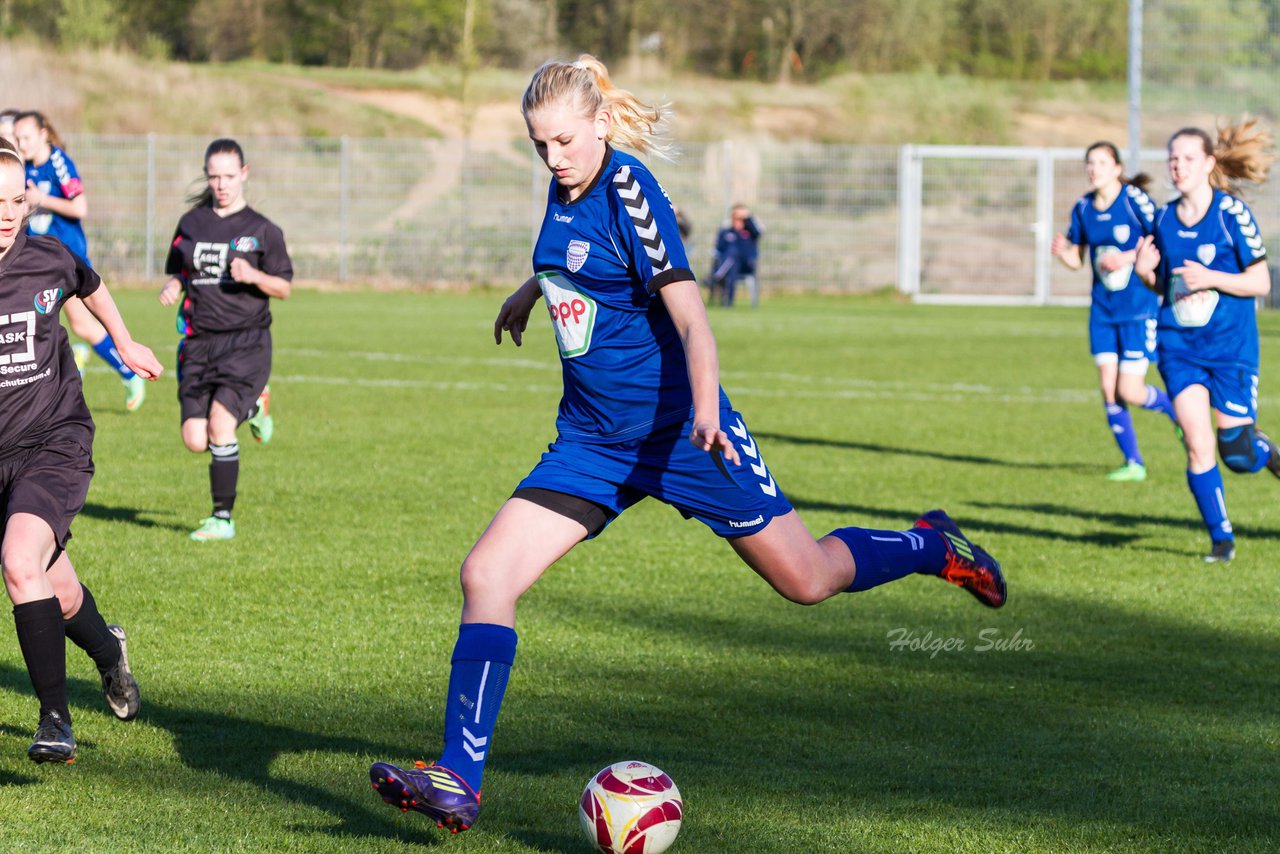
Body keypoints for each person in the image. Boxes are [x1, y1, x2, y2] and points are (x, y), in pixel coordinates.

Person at [368, 55, 1006, 834]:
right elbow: (584, 259)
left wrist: (706, 408)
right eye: (540, 146)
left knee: (806, 579)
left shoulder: (629, 186)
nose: (553, 158)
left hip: (683, 433)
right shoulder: (565, 181)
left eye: (564, 141)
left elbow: (692, 315)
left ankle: (930, 543)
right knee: (486, 572)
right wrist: (530, 289)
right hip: (594, 443)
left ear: (599, 123)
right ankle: (459, 779)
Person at [0, 137, 161, 763]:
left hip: (54, 442)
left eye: (16, 199)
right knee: (54, 589)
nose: (8, 213)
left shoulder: (47, 259)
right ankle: (109, 650)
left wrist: (124, 343)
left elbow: (91, 286)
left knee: (18, 562)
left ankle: (55, 722)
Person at [1134, 120, 1277, 563]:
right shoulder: (1162, 218)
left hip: (1231, 349)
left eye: (1188, 159)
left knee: (1237, 453)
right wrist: (1145, 274)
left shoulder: (1230, 215)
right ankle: (1222, 539)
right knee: (1198, 443)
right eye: (1173, 160)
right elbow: (1166, 285)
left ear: (1209, 163)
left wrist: (1213, 277)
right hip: (1180, 348)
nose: (1178, 167)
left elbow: (1261, 282)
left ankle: (1265, 450)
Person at [159, 139, 290, 542]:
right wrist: (173, 287)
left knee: (219, 426)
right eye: (214, 176)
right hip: (198, 345)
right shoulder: (191, 224)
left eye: (229, 176)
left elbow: (283, 287)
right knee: (195, 440)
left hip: (245, 343)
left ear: (244, 174)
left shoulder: (263, 230)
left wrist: (255, 277)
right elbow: (178, 271)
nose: (221, 184)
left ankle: (222, 518)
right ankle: (254, 407)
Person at [1051, 142, 1178, 481]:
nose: (1094, 169)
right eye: (1090, 163)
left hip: (1137, 308)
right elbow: (1078, 261)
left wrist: (1125, 257)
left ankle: (1174, 409)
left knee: (1130, 392)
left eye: (1102, 163)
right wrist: (1063, 254)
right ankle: (1133, 463)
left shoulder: (1134, 201)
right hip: (1103, 311)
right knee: (1109, 389)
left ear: (1117, 168)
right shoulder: (1082, 208)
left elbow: (1159, 241)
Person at [12, 111, 147, 411]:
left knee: (81, 324)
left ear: (44, 133)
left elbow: (80, 207)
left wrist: (40, 200)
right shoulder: (26, 168)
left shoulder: (58, 163)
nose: (21, 144)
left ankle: (122, 369)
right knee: (58, 322)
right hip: (40, 257)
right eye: (17, 139)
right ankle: (72, 362)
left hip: (65, 258)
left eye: (26, 137)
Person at [711, 204, 763, 307]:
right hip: (731, 266)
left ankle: (717, 276)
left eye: (742, 218)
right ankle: (728, 302)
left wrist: (748, 218)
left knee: (733, 254)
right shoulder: (726, 232)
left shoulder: (751, 233)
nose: (738, 220)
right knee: (732, 262)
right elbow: (719, 249)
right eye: (736, 217)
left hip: (746, 265)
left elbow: (758, 233)